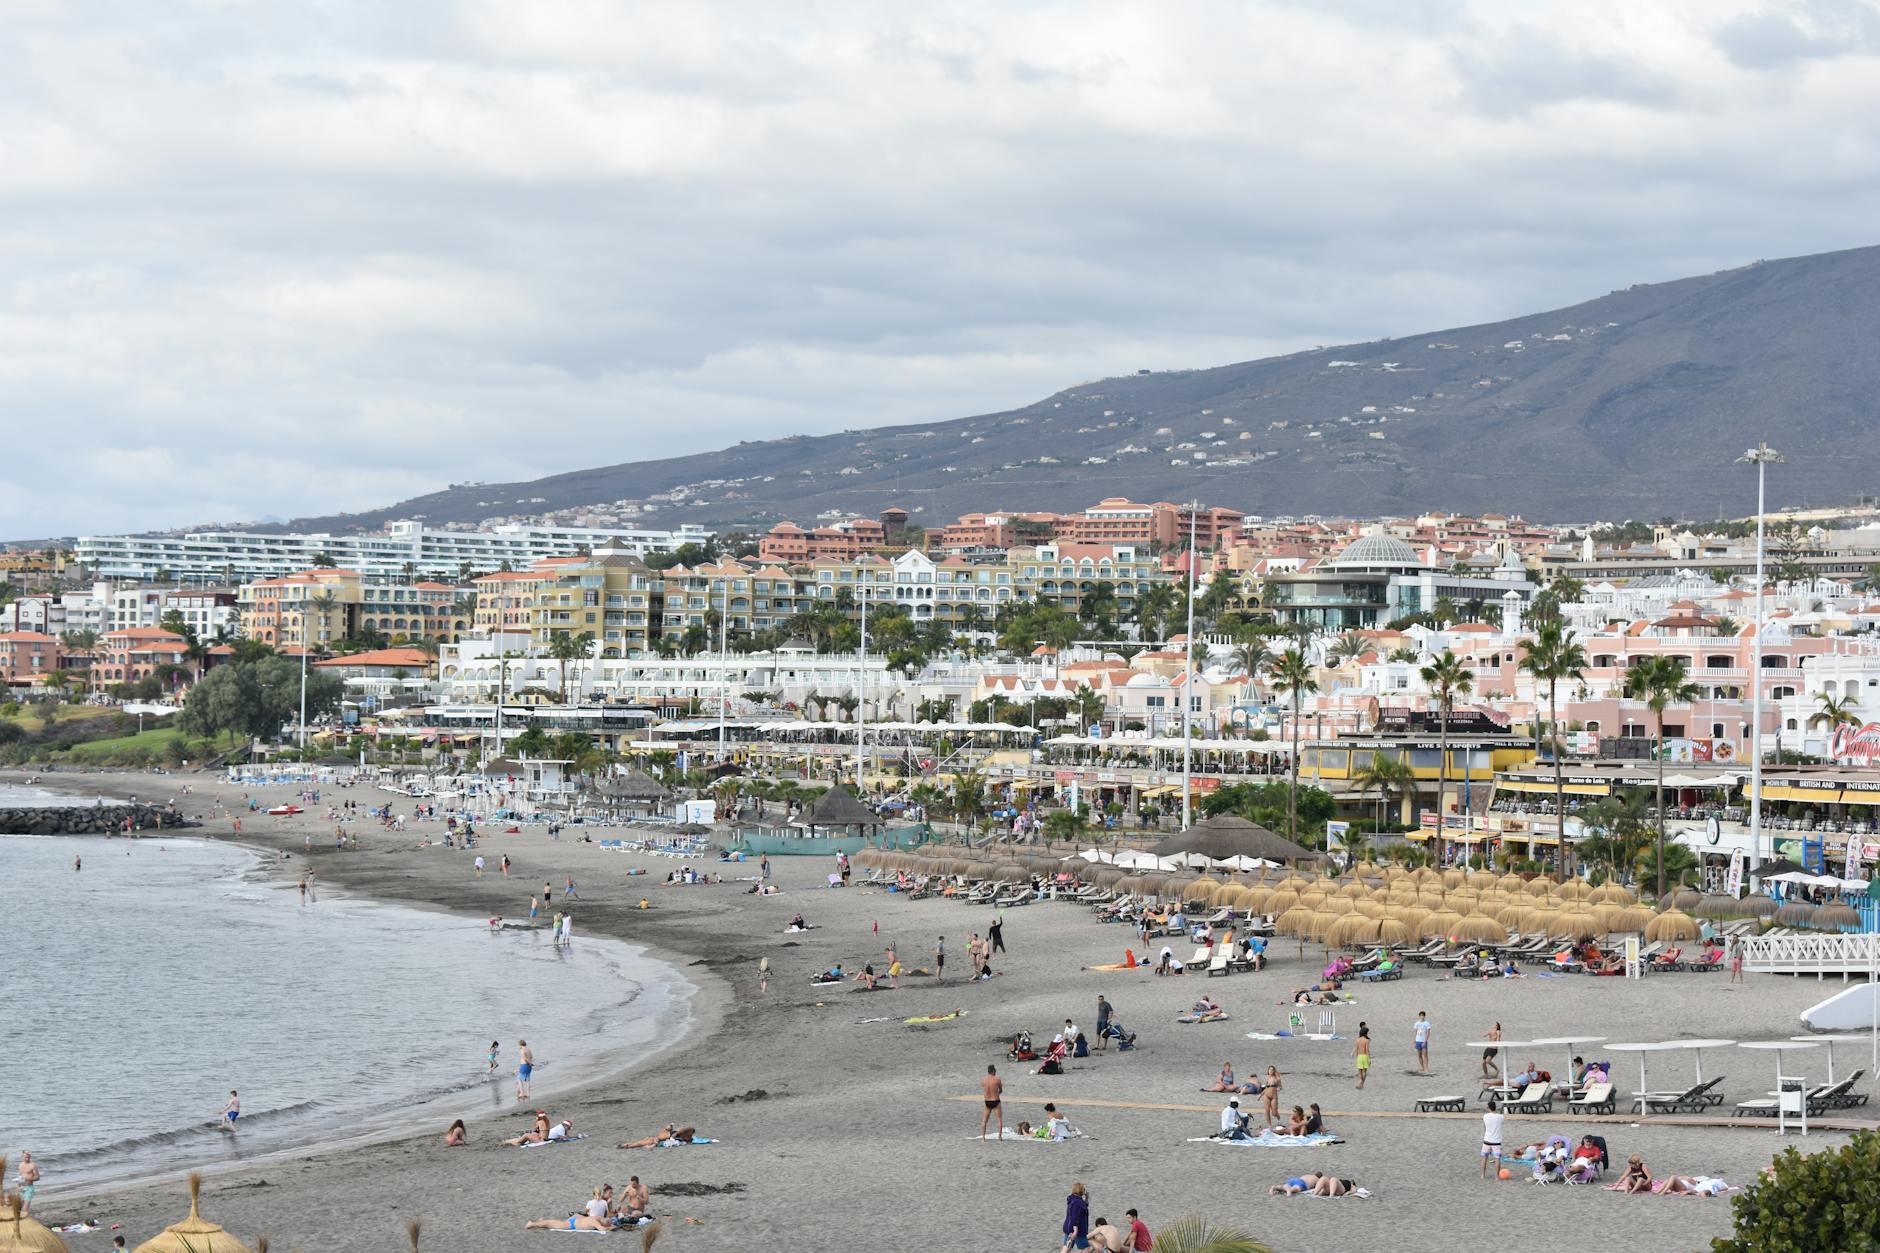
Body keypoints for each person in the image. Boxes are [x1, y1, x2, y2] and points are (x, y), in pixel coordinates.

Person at [523, 1187, 611, 1231]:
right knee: (551, 1223)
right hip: (572, 1224)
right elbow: (602, 1228)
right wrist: (610, 1227)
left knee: (552, 1223)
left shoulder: (598, 1218)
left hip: (578, 1219)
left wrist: (609, 1224)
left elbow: (604, 1220)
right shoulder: (596, 1221)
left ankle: (541, 1221)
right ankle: (532, 1223)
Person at [1060, 1182, 1090, 1253]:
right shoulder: (1077, 1202)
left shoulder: (1073, 1200)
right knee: (1085, 1249)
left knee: (1067, 1247)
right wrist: (1075, 1230)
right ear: (1080, 1190)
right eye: (1083, 1189)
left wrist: (1086, 1198)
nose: (1084, 1191)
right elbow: (1075, 1216)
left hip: (1069, 1228)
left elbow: (1082, 1208)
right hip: (1078, 1230)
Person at [1481, 1095, 1504, 1180]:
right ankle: (1496, 1176)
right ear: (1495, 1107)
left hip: (1487, 1140)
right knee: (1497, 1159)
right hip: (1496, 1141)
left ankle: (1483, 1175)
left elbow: (1485, 1128)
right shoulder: (1501, 1117)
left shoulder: (1485, 1116)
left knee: (1484, 1158)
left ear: (1488, 1108)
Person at [618, 1123, 696, 1149]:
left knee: (644, 1142)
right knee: (646, 1141)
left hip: (666, 1136)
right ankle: (628, 1145)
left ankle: (628, 1145)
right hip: (668, 1135)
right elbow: (688, 1128)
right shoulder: (688, 1132)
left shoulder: (687, 1138)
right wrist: (673, 1136)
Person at [981, 1064, 1004, 1139]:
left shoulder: (983, 1080)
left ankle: (983, 1137)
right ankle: (999, 1137)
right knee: (999, 1120)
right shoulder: (997, 1079)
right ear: (993, 1071)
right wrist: (997, 1093)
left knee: (984, 1120)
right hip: (995, 1100)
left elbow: (984, 1090)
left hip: (987, 1101)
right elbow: (1000, 1090)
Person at [1353, 1022, 1371, 1089]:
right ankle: (1362, 1083)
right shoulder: (1366, 1040)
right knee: (1364, 1071)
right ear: (1365, 1033)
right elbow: (1367, 1050)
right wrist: (1369, 1059)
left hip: (1359, 1056)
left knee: (1359, 1071)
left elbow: (1356, 1049)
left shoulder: (1357, 1040)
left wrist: (1356, 1057)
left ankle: (1360, 1081)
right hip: (1365, 1056)